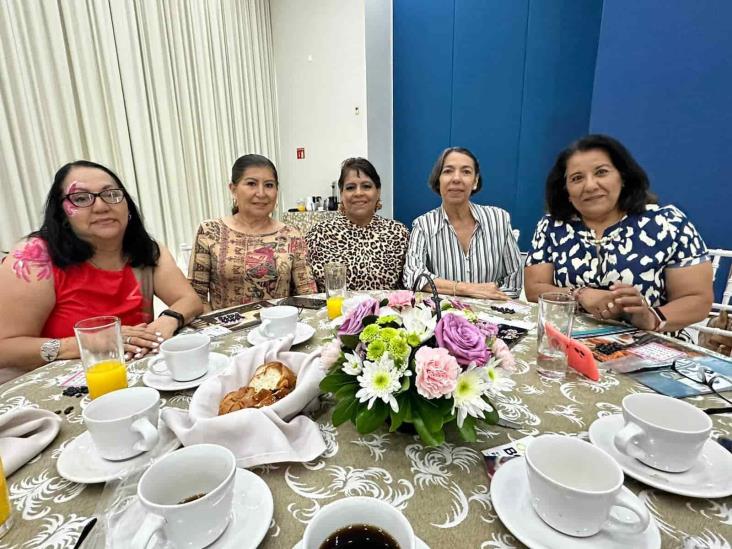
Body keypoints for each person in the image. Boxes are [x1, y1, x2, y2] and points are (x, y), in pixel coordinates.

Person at [0, 160, 203, 383]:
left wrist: (167, 321)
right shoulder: (33, 257)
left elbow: (189, 300)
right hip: (60, 389)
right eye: (80, 199)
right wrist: (86, 343)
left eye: (112, 194)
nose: (101, 207)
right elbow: (5, 347)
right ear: (62, 214)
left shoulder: (145, 249)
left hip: (135, 378)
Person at [524, 134, 713, 333]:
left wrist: (650, 318)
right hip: (567, 341)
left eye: (601, 172)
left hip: (650, 345)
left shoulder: (667, 223)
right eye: (577, 178)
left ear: (623, 177)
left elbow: (697, 299)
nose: (590, 185)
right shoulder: (553, 226)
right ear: (566, 191)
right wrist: (580, 294)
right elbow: (534, 288)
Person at [189, 154, 316, 310]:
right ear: (233, 189)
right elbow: (197, 296)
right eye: (251, 184)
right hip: (227, 330)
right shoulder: (210, 231)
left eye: (269, 185)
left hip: (280, 329)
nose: (261, 193)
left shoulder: (292, 235)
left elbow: (308, 294)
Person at [403, 147, 522, 299]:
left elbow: (513, 281)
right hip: (444, 317)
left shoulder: (498, 219)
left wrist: (488, 311)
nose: (456, 178)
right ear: (438, 180)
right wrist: (468, 289)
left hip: (492, 316)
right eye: (448, 171)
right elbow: (412, 277)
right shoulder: (423, 225)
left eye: (466, 171)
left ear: (475, 181)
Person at [306, 158, 410, 291]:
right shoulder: (318, 235)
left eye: (366, 186)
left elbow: (409, 288)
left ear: (378, 191)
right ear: (341, 193)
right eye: (350, 187)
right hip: (333, 311)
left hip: (386, 311)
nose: (358, 193)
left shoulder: (398, 233)